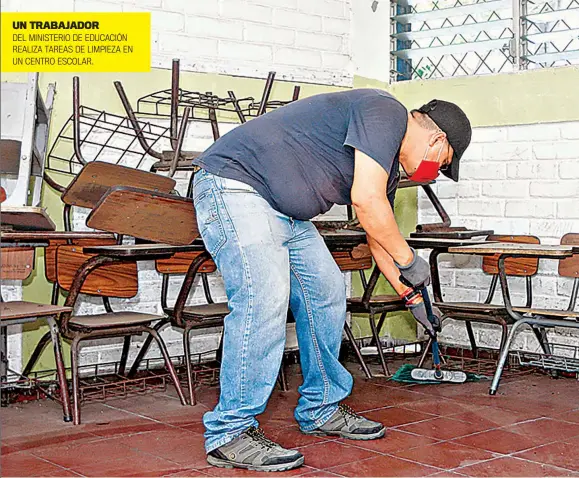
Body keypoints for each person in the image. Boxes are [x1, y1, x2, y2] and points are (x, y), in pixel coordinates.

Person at [191, 89, 472, 472]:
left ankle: (321, 407)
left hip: (286, 212)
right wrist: (411, 260)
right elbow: (367, 203)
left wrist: (413, 296)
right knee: (265, 299)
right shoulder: (386, 111)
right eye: (443, 163)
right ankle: (230, 432)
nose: (434, 172)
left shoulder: (384, 167)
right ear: (437, 139)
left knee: (326, 293)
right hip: (237, 186)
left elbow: (377, 239)